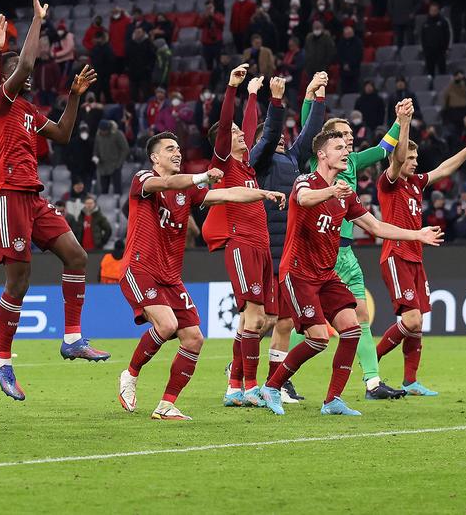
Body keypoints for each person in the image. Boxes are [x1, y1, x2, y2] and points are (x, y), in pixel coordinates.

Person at [260, 130, 444, 416]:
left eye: (346, 147)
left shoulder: (346, 195)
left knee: (352, 328)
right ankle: (272, 386)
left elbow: (376, 227)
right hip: (298, 272)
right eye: (338, 147)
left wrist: (417, 234)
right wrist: (331, 191)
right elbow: (305, 199)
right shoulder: (305, 181)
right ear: (322, 154)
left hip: (326, 275)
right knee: (319, 338)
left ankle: (332, 400)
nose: (346, 151)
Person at [0, 0, 108, 403]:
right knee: (19, 281)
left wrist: (73, 97)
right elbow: (25, 62)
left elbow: (64, 134)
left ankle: (72, 338)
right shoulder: (0, 102)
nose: (25, 75)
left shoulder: (28, 110)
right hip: (6, 195)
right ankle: (2, 362)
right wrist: (38, 19)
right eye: (15, 71)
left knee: (76, 256)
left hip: (32, 196)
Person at [116, 134, 286, 421]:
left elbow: (228, 194)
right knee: (167, 324)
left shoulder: (188, 191)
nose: (177, 153)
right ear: (155, 157)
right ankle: (130, 375)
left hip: (170, 276)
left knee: (194, 339)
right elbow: (166, 184)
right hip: (140, 268)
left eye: (178, 148)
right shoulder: (143, 179)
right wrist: (202, 177)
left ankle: (166, 405)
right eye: (169, 149)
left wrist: (264, 194)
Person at [294, 99, 407, 400]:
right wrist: (313, 96)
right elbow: (308, 129)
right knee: (308, 322)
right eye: (342, 136)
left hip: (346, 251)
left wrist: (400, 120)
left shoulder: (353, 161)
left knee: (361, 315)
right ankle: (279, 373)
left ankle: (373, 382)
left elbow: (384, 149)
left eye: (350, 136)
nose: (348, 140)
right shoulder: (315, 165)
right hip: (321, 252)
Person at [376, 128, 466, 397]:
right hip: (396, 255)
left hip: (416, 257)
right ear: (397, 159)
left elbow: (444, 169)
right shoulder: (389, 182)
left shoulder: (416, 183)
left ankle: (410, 381)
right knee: (411, 320)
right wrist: (404, 125)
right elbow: (397, 160)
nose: (415, 162)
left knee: (418, 324)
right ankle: (371, 360)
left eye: (416, 157)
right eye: (410, 157)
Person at [203, 68, 286, 407]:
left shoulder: (248, 165)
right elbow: (227, 126)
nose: (240, 134)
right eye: (234, 133)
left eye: (241, 132)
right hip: (242, 244)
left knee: (264, 319)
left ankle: (234, 387)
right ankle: (250, 386)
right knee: (254, 317)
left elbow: (249, 127)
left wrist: (252, 95)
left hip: (262, 247)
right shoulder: (224, 163)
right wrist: (231, 88)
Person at [255, 71, 328, 404]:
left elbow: (311, 134)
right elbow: (270, 134)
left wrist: (318, 98)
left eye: (286, 136)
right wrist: (275, 102)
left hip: (288, 253)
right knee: (262, 320)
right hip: (266, 250)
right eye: (276, 137)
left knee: (284, 322)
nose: (282, 139)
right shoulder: (259, 161)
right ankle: (238, 370)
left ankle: (277, 383)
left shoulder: (292, 160)